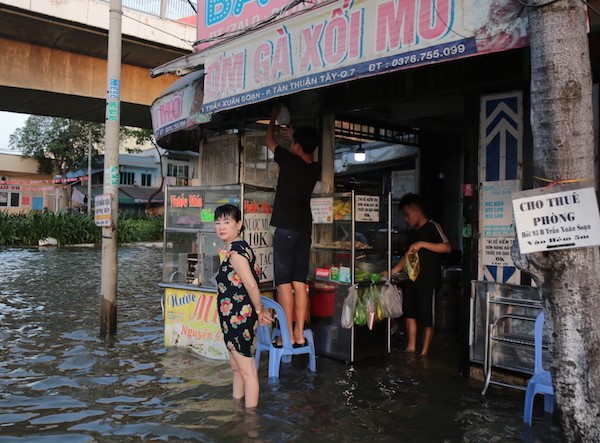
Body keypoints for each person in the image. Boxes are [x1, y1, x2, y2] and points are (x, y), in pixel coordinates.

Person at [266, 104, 321, 347]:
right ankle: (299, 333)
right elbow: (304, 149)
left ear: (297, 147)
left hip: (286, 231)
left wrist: (272, 119)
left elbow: (269, 140)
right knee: (300, 284)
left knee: (284, 285)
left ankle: (285, 335)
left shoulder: (289, 161)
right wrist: (295, 137)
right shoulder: (314, 168)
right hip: (303, 232)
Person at [214, 204, 273, 408]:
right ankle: (237, 410)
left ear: (239, 224)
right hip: (233, 319)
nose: (221, 226)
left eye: (227, 222)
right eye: (218, 222)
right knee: (237, 368)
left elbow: (251, 285)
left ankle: (250, 425)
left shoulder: (237, 252)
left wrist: (259, 311)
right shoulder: (237, 247)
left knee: (248, 372)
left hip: (239, 318)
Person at [384, 193, 451, 357]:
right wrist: (391, 272)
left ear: (416, 211)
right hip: (411, 280)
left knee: (427, 318)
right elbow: (406, 257)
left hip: (428, 282)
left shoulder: (433, 226)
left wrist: (422, 244)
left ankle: (424, 352)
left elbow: (447, 247)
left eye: (407, 215)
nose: (406, 219)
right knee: (410, 313)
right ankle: (411, 347)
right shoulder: (412, 234)